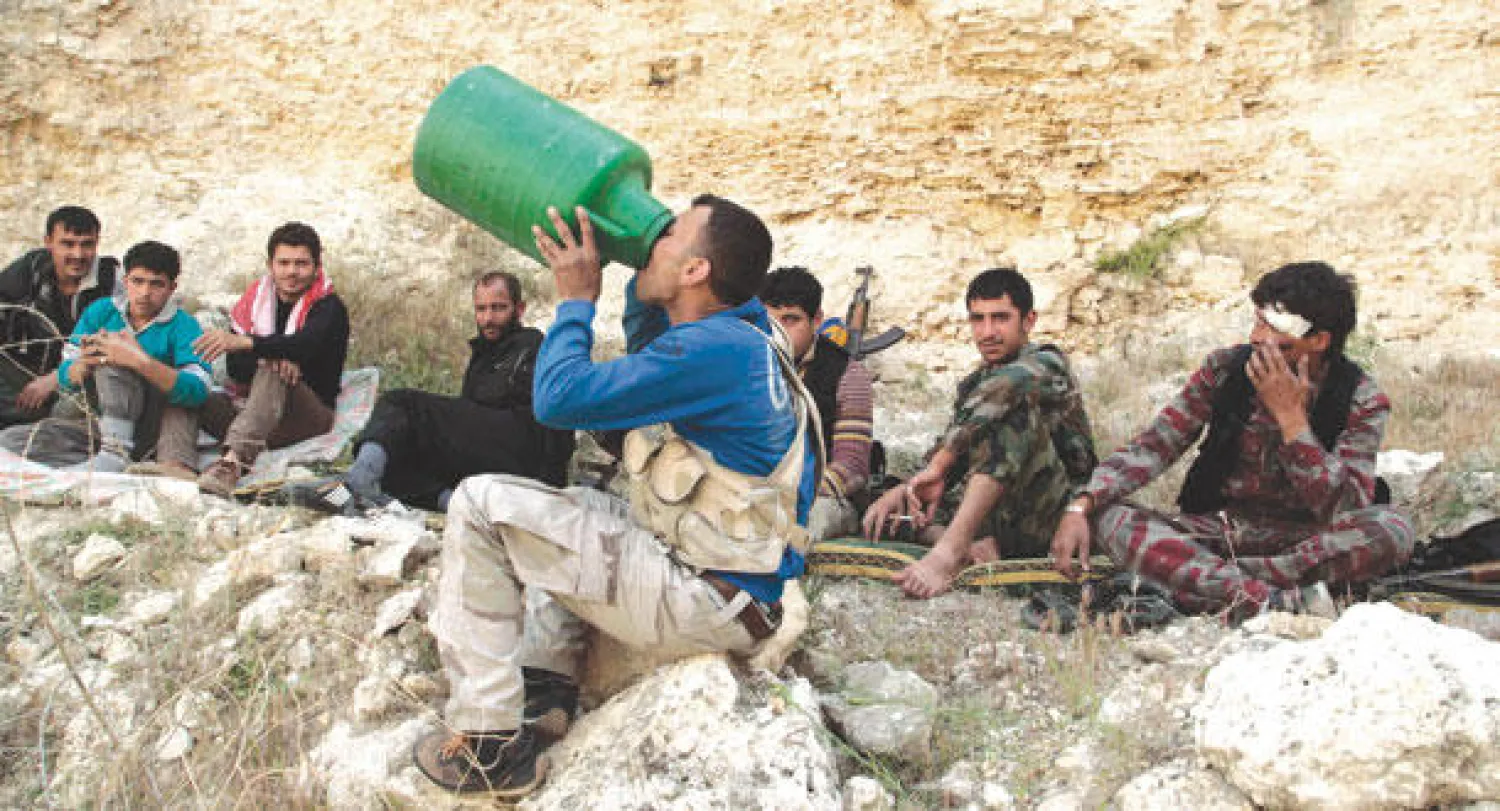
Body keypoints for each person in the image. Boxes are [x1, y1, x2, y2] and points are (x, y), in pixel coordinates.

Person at [413, 196, 820, 798]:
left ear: (696, 271)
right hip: (733, 588)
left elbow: (558, 399)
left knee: (478, 503)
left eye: (667, 235)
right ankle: (547, 691)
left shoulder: (716, 352)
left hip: (704, 602)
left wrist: (576, 296)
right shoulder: (746, 331)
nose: (652, 237)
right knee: (570, 505)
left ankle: (489, 749)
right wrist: (638, 266)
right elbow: (648, 335)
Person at [1049, 261, 1415, 620]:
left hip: (1306, 542)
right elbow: (1154, 446)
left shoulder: (1361, 399)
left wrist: (1293, 423)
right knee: (1110, 518)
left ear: (1318, 341)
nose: (1258, 338)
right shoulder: (1225, 371)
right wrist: (1082, 504)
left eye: (1274, 330)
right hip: (1221, 531)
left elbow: (1348, 511)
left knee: (1391, 531)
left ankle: (1202, 584)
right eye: (1258, 321)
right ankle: (1274, 600)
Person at [862, 268, 1097, 599]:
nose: (987, 332)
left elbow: (1009, 387)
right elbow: (952, 457)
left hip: (1053, 513)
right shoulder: (976, 383)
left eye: (1000, 318)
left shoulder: (1047, 363)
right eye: (978, 319)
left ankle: (950, 551)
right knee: (883, 502)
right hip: (1000, 510)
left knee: (1008, 414)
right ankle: (972, 544)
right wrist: (905, 488)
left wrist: (941, 463)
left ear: (1028, 321)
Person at [301, 270, 574, 513]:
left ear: (519, 309)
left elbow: (549, 420)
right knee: (395, 457)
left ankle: (357, 482)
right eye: (481, 309)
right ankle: (455, 504)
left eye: (498, 308)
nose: (488, 318)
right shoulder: (484, 353)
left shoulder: (533, 345)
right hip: (491, 452)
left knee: (403, 403)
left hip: (525, 451)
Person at [158, 222, 350, 493]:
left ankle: (232, 464)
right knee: (189, 392)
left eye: (301, 264)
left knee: (274, 367)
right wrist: (266, 352)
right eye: (283, 263)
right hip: (252, 411)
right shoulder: (256, 301)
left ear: (317, 265)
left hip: (306, 415)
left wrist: (251, 345)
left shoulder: (329, 307)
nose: (292, 272)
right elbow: (237, 368)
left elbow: (304, 346)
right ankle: (176, 465)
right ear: (270, 264)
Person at [0, 240, 209, 472]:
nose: (145, 293)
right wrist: (81, 366)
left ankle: (115, 455)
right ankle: (104, 460)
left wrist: (138, 361)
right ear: (125, 281)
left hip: (152, 426)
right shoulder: (101, 311)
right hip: (97, 423)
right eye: (137, 282)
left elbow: (199, 390)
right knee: (12, 441)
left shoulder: (184, 325)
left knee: (114, 358)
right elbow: (67, 371)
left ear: (172, 288)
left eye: (156, 284)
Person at [762, 266, 874, 540]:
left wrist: (793, 497)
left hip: (821, 497)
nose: (778, 332)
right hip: (757, 495)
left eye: (790, 320)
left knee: (805, 525)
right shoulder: (749, 366)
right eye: (769, 322)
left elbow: (851, 466)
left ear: (817, 320)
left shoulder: (848, 374)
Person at [0, 206, 120, 426]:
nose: (78, 254)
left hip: (83, 379)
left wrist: (55, 379)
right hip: (28, 370)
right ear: (48, 243)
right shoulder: (32, 268)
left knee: (68, 414)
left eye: (87, 244)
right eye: (68, 244)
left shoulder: (113, 282)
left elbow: (122, 346)